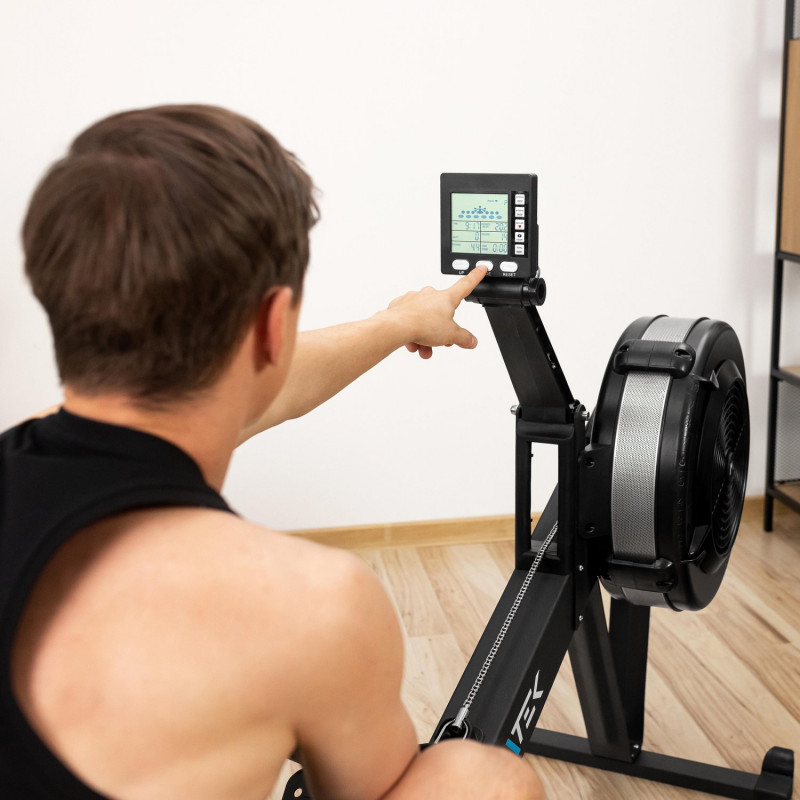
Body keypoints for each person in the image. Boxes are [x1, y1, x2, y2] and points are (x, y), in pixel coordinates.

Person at [0, 105, 545, 800]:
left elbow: (261, 389)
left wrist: (394, 325)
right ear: (270, 326)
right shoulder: (314, 605)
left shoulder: (29, 447)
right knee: (482, 778)